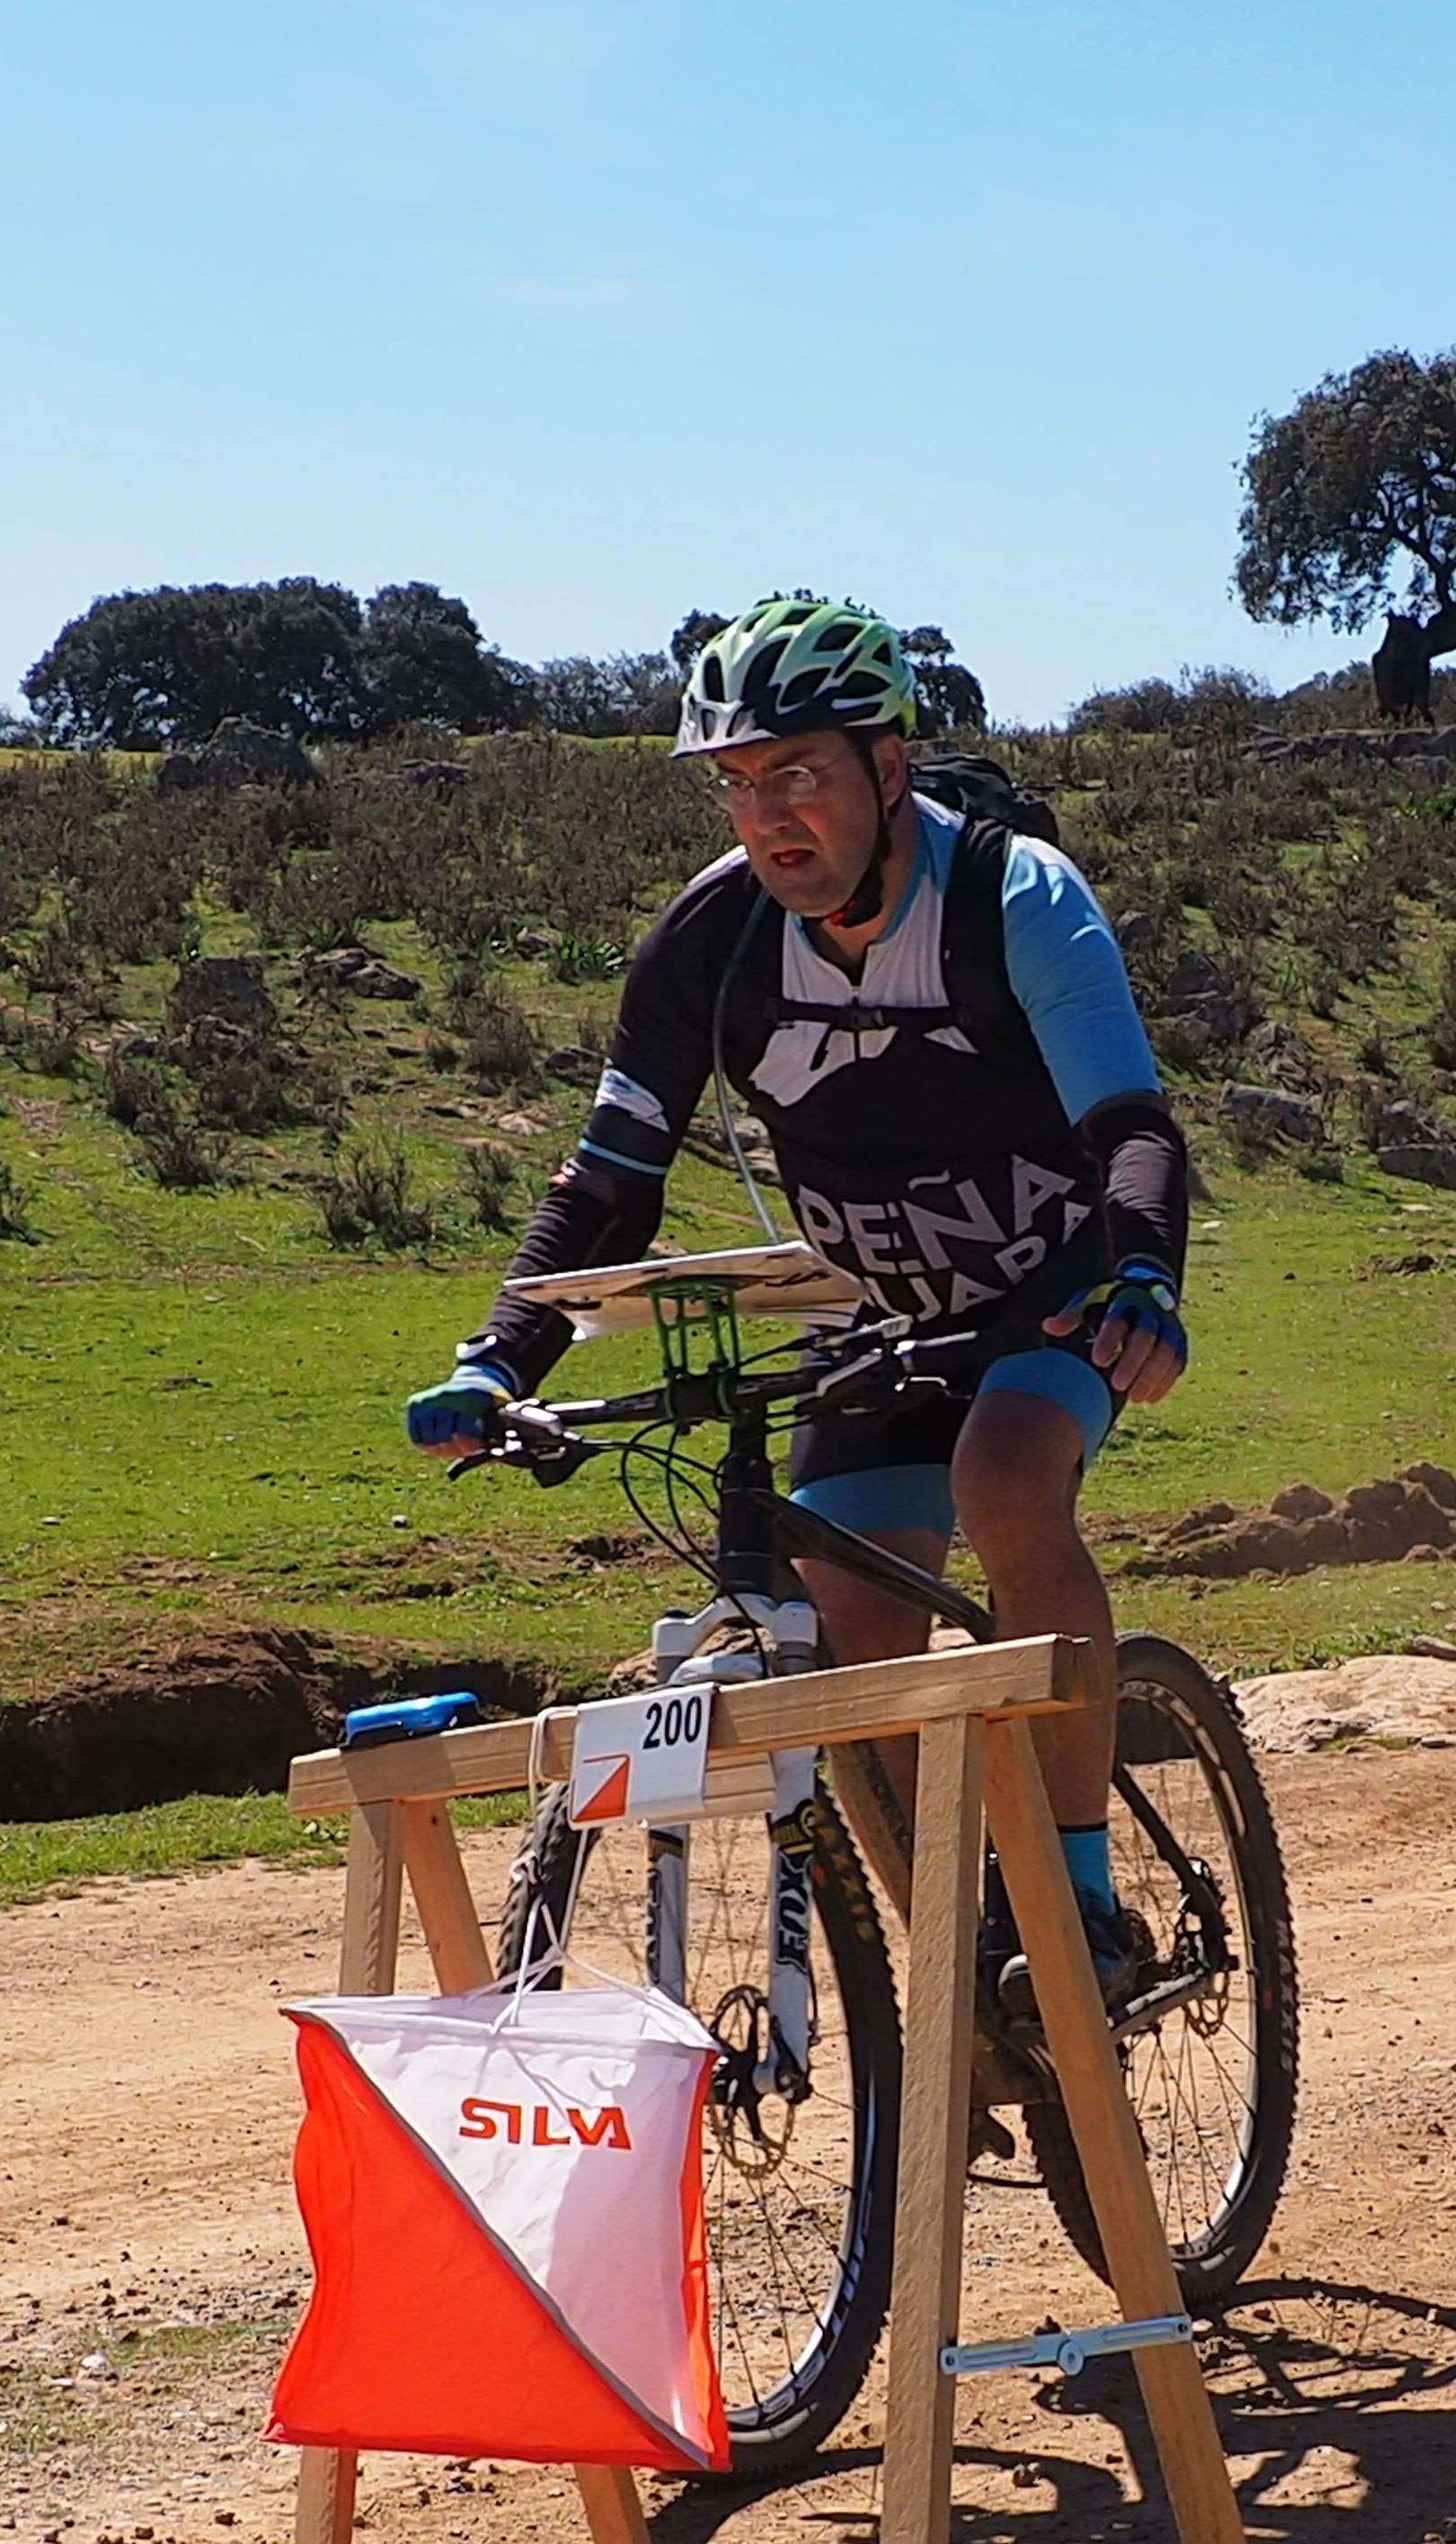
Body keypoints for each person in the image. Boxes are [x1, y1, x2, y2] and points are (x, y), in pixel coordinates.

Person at [403, 594, 1190, 1989]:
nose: (768, 816)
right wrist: (500, 1356)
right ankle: (956, 1969)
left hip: (1052, 1279)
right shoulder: (710, 946)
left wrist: (1141, 1275)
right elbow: (606, 1180)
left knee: (1010, 1481)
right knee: (850, 1629)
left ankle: (1082, 1920)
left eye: (800, 774)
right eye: (738, 783)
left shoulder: (1011, 895)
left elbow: (1130, 1124)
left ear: (887, 769)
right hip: (875, 1306)